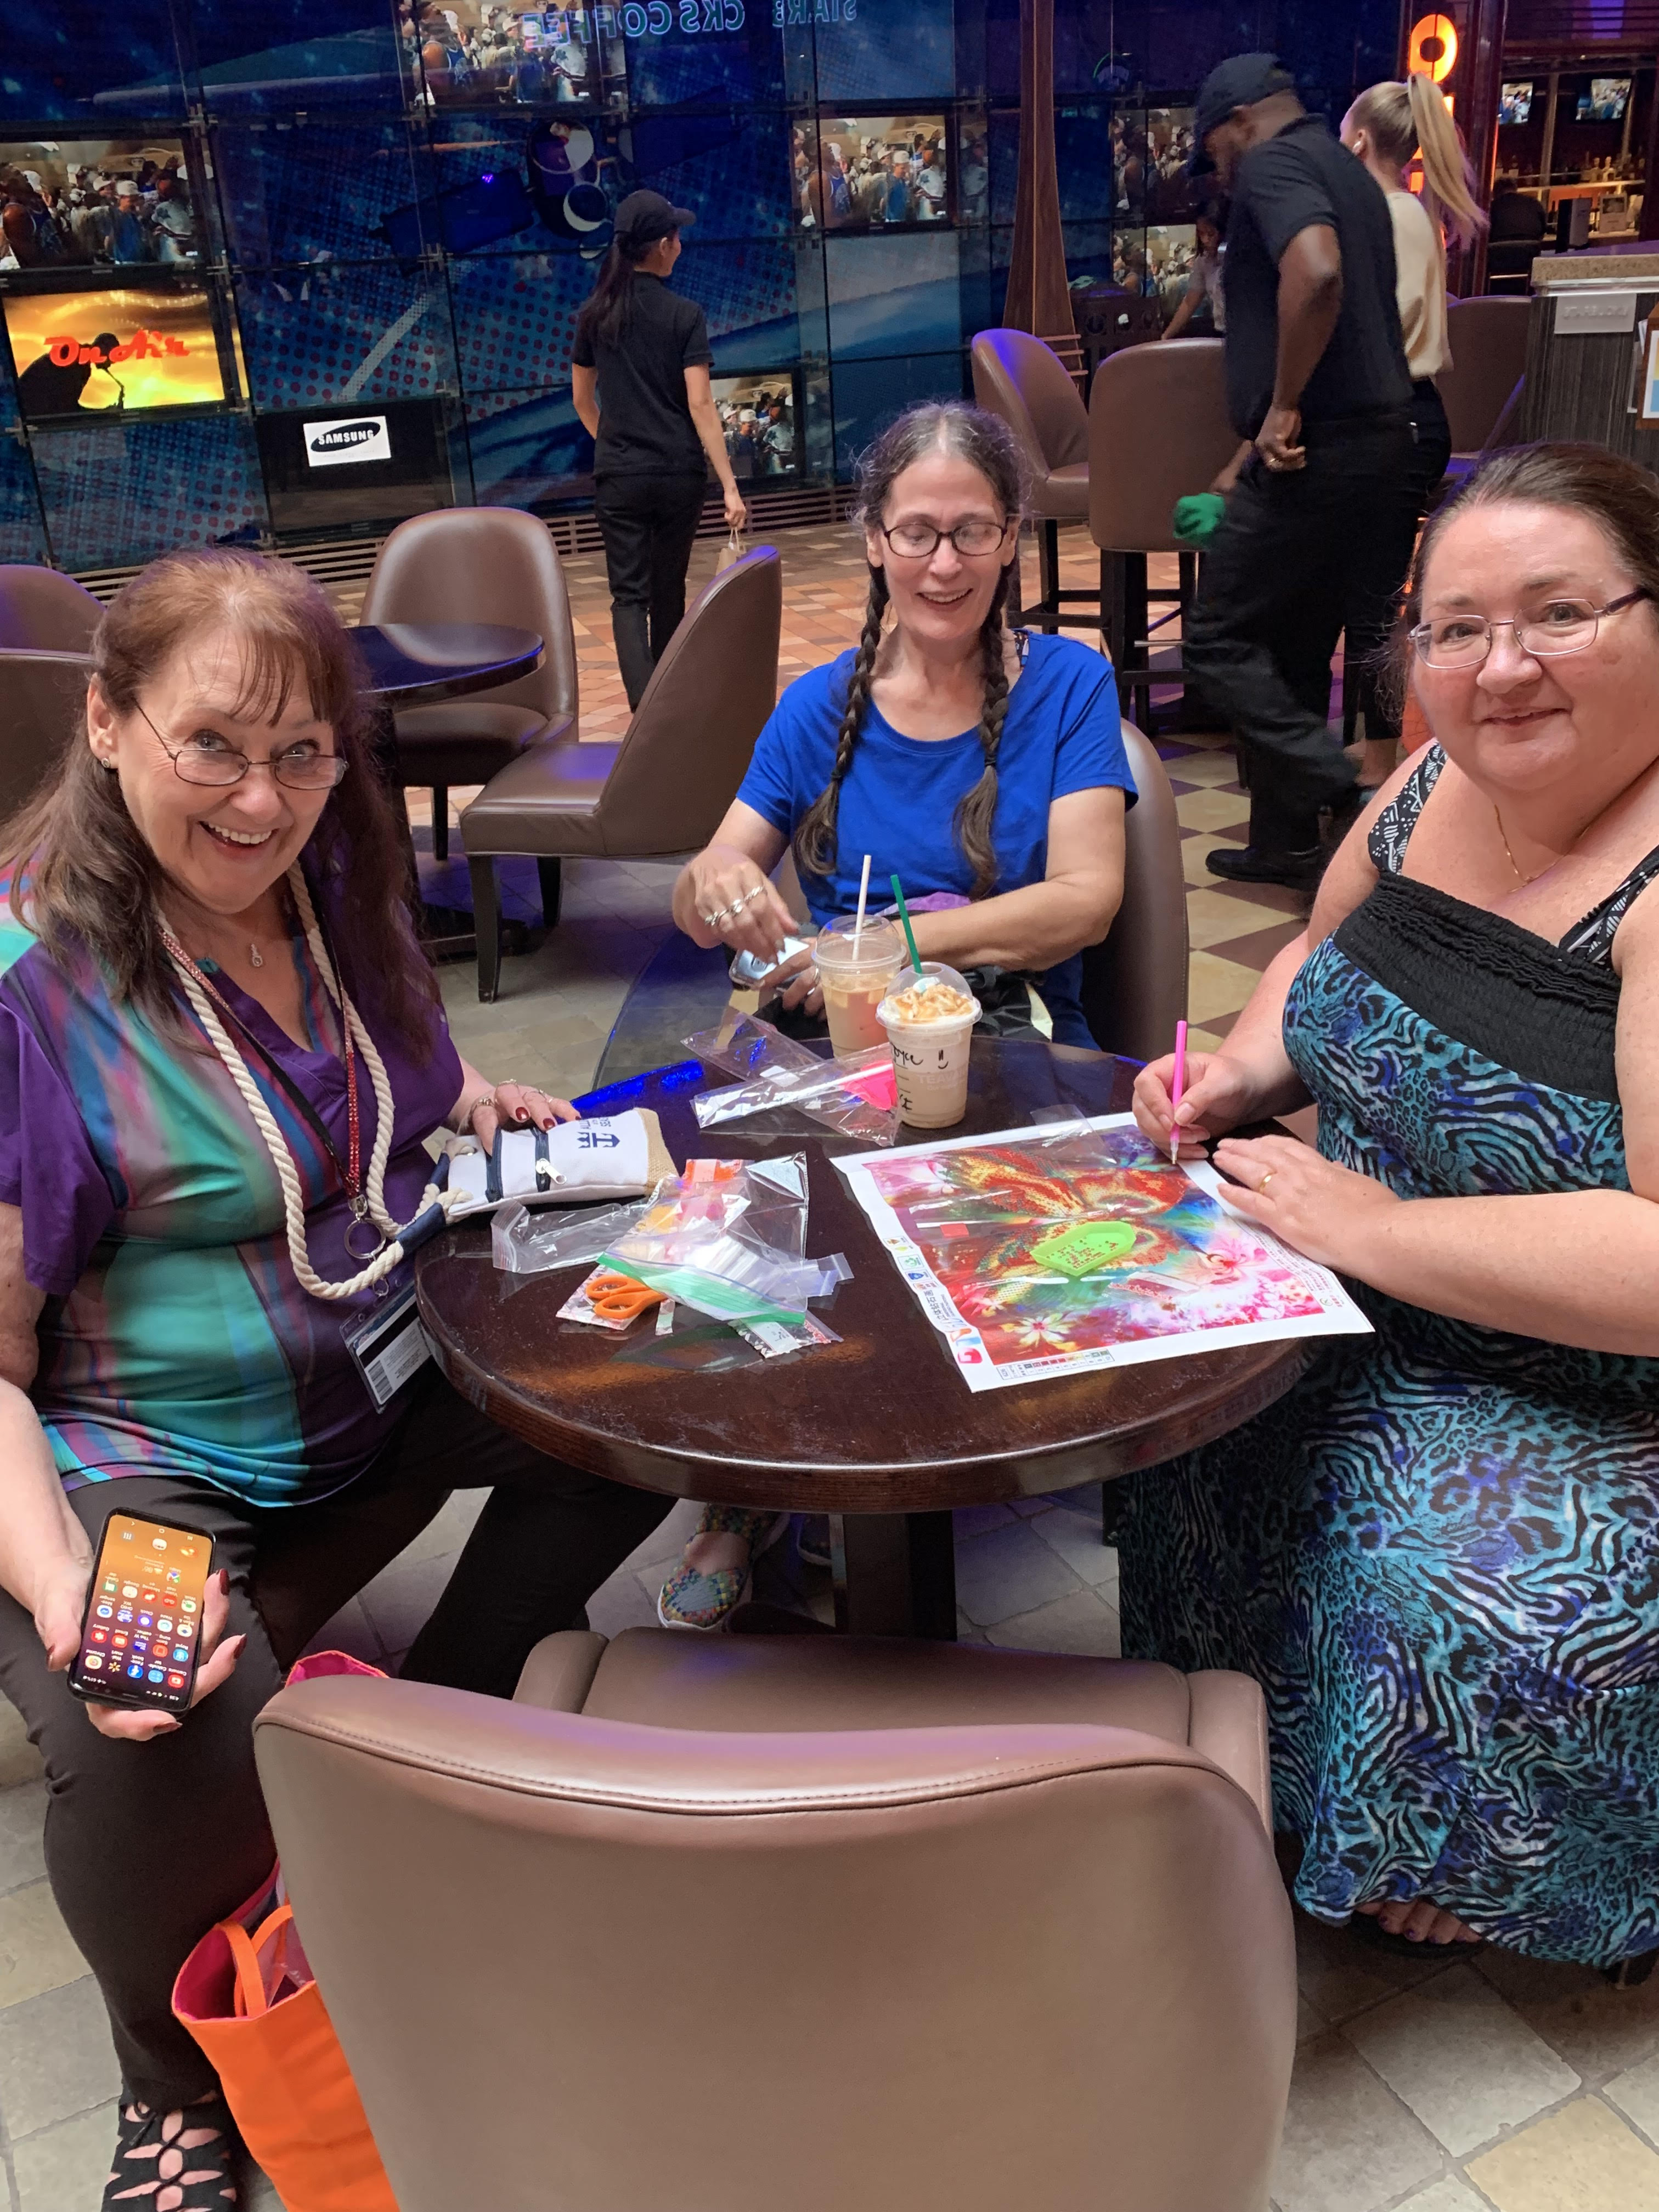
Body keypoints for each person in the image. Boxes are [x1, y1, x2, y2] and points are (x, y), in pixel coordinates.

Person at [0, 549, 673, 2205]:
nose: (264, 797)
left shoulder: (339, 884)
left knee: (647, 1383)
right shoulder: (33, 994)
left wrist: (475, 1111)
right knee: (162, 1715)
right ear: (106, 721)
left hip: (382, 1363)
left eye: (305, 751)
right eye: (211, 745)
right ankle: (174, 2089)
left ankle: (417, 1750)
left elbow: (386, 1100)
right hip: (148, 1448)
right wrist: (63, 1583)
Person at [1122, 442, 1659, 1965]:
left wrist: (1361, 1225)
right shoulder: (1432, 782)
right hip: (1357, 1288)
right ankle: (1274, 1761)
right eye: (1455, 627)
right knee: (1176, 1402)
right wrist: (1232, 1074)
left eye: (1559, 615)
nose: (1501, 669)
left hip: (1592, 1387)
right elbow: (1316, 962)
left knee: (1432, 1571)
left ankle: (1468, 1844)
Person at [658, 400, 1136, 1629]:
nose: (942, 564)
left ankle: (907, 1447)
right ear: (872, 540)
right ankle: (755, 1484)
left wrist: (890, 939)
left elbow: (1083, 902)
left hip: (1016, 1048)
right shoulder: (823, 707)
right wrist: (717, 888)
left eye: (970, 533)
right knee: (733, 1203)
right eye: (915, 532)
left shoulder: (1069, 685)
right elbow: (706, 882)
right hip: (842, 1055)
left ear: (1012, 537)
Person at [1183, 52, 1417, 892]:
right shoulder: (1350, 171)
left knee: (1213, 638)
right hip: (1378, 443)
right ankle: (1285, 846)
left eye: (1214, 153)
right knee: (1294, 642)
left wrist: (1279, 407)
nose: (1218, 172)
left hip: (1319, 448)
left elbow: (1316, 272)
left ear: (1240, 122)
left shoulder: (1275, 162)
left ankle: (1338, 786)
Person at [1340, 71, 1487, 786]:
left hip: (1396, 417)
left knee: (1371, 603)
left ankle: (1376, 760)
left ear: (1360, 139)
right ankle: (1370, 750)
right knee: (1369, 594)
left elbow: (1380, 328)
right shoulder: (1409, 212)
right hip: (1409, 414)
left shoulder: (1389, 214)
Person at [571, 189, 747, 710]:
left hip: (619, 476)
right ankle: (668, 705)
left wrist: (613, 443)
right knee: (669, 589)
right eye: (677, 238)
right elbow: (700, 405)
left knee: (628, 596)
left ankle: (644, 712)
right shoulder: (685, 314)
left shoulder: (594, 314)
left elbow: (582, 399)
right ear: (663, 246)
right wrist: (730, 485)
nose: (681, 247)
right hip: (677, 474)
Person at [1160, 204, 1227, 338]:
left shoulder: (1239, 258)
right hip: (1220, 331)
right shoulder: (1203, 261)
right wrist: (1166, 336)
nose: (1205, 240)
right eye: (1201, 233)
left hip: (1246, 332)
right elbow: (1191, 301)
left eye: (1211, 234)